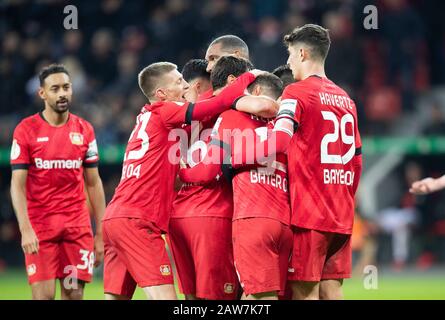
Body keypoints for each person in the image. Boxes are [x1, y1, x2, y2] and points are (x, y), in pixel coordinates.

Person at [102, 61, 261, 300]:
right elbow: (215, 105)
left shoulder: (147, 119)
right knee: (167, 298)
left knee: (116, 297)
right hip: (138, 220)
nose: (185, 85)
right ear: (161, 94)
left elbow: (196, 125)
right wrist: (247, 77)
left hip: (114, 217)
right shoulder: (164, 111)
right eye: (178, 82)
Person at [231, 24, 363, 300]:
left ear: (302, 53)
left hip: (311, 213)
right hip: (342, 211)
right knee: (332, 291)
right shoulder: (346, 99)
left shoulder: (296, 93)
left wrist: (233, 157)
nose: (289, 63)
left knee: (304, 293)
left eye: (290, 55)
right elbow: (357, 161)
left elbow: (279, 141)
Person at [179, 73, 291, 300]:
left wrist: (180, 171)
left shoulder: (232, 117)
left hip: (252, 219)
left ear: (256, 92)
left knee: (258, 296)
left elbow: (209, 169)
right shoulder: (287, 125)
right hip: (285, 220)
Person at [10, 64, 106, 300]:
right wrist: (25, 229)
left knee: (73, 295)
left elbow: (93, 183)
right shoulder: (26, 130)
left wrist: (101, 233)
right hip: (41, 229)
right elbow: (17, 185)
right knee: (43, 297)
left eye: (66, 87)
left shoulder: (85, 130)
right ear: (42, 93)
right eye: (55, 89)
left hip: (76, 229)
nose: (62, 93)